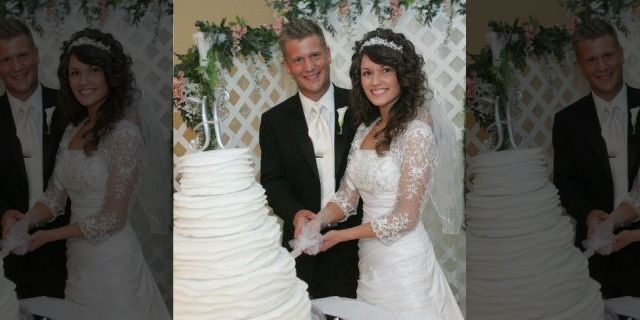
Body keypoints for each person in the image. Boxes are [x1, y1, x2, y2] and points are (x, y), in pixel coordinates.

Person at [2, 28, 170, 319]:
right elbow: (54, 198)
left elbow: (112, 219)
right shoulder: (72, 129)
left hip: (113, 263)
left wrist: (47, 236)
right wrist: (25, 222)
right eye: (75, 73)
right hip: (78, 265)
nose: (83, 81)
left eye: (93, 70)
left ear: (110, 74)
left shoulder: (124, 132)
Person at [298, 28, 463, 320]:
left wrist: (341, 236)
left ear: (403, 75)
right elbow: (347, 198)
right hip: (370, 263)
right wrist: (319, 221)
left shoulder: (417, 132)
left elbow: (405, 217)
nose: (375, 81)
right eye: (366, 73)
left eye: (385, 70)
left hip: (404, 264)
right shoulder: (365, 129)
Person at [259, 18, 361, 298]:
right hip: (303, 250)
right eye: (299, 60)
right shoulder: (273, 121)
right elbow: (272, 180)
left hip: (357, 246)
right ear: (288, 67)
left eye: (315, 55)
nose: (309, 67)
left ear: (328, 55)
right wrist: (295, 214)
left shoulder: (362, 107)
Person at [552, 18, 640, 298]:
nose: (602, 67)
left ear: (621, 54)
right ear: (580, 67)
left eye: (608, 56)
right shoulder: (567, 121)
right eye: (592, 60)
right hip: (597, 251)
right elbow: (565, 182)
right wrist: (589, 214)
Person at [0, 17, 69, 299]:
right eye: (6, 59)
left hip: (65, 249)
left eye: (23, 55)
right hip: (7, 253)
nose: (17, 67)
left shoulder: (70, 107)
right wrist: (2, 213)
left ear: (36, 54)